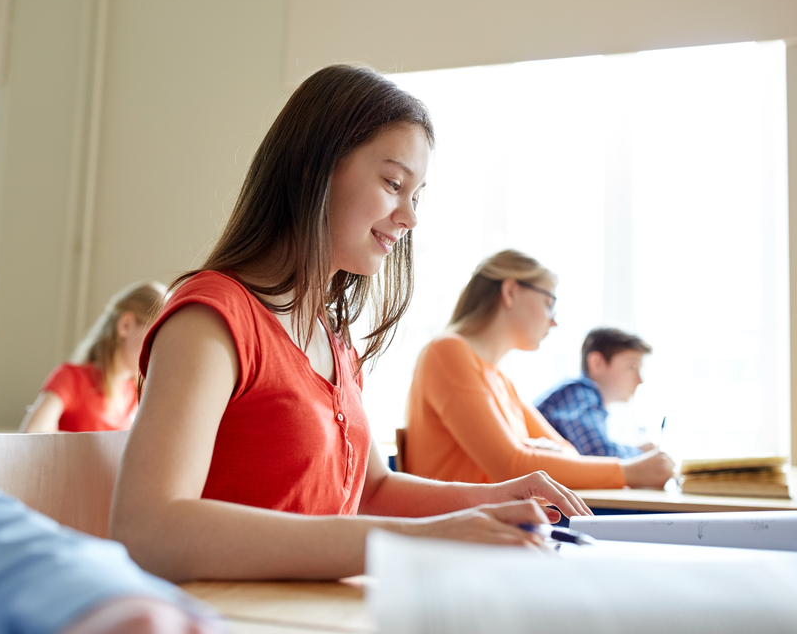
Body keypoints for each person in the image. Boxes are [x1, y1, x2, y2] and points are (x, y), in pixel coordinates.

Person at [109, 64, 593, 584]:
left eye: (416, 194)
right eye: (392, 183)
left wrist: (495, 498)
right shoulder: (210, 318)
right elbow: (147, 529)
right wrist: (424, 540)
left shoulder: (333, 340)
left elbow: (372, 491)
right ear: (315, 170)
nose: (409, 218)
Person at [0, 321, 224, 634]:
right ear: (126, 325)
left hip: (80, 546)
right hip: (62, 509)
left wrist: (89, 597)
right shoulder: (73, 377)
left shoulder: (131, 391)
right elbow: (36, 432)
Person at [405, 250, 675, 491]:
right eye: (549, 303)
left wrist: (531, 456)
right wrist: (628, 472)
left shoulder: (499, 379)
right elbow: (512, 466)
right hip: (455, 536)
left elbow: (568, 453)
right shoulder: (447, 352)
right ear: (510, 292)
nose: (554, 321)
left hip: (492, 528)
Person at [21, 281, 166, 433]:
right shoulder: (70, 379)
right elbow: (32, 434)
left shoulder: (141, 393)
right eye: (155, 336)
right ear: (126, 325)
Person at [535, 327, 655, 458]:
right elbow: (598, 454)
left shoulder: (582, 397)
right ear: (597, 363)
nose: (640, 380)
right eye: (631, 367)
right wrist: (642, 453)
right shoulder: (579, 394)